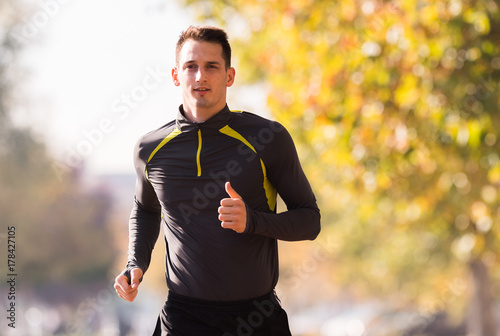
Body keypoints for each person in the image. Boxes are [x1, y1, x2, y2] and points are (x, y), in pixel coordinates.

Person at [114, 25, 321, 336]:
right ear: (176, 76)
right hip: (183, 319)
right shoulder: (150, 149)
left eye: (212, 67)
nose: (201, 77)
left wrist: (253, 221)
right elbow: (145, 210)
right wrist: (135, 264)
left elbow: (310, 221)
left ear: (229, 76)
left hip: (256, 318)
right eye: (191, 67)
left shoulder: (266, 139)